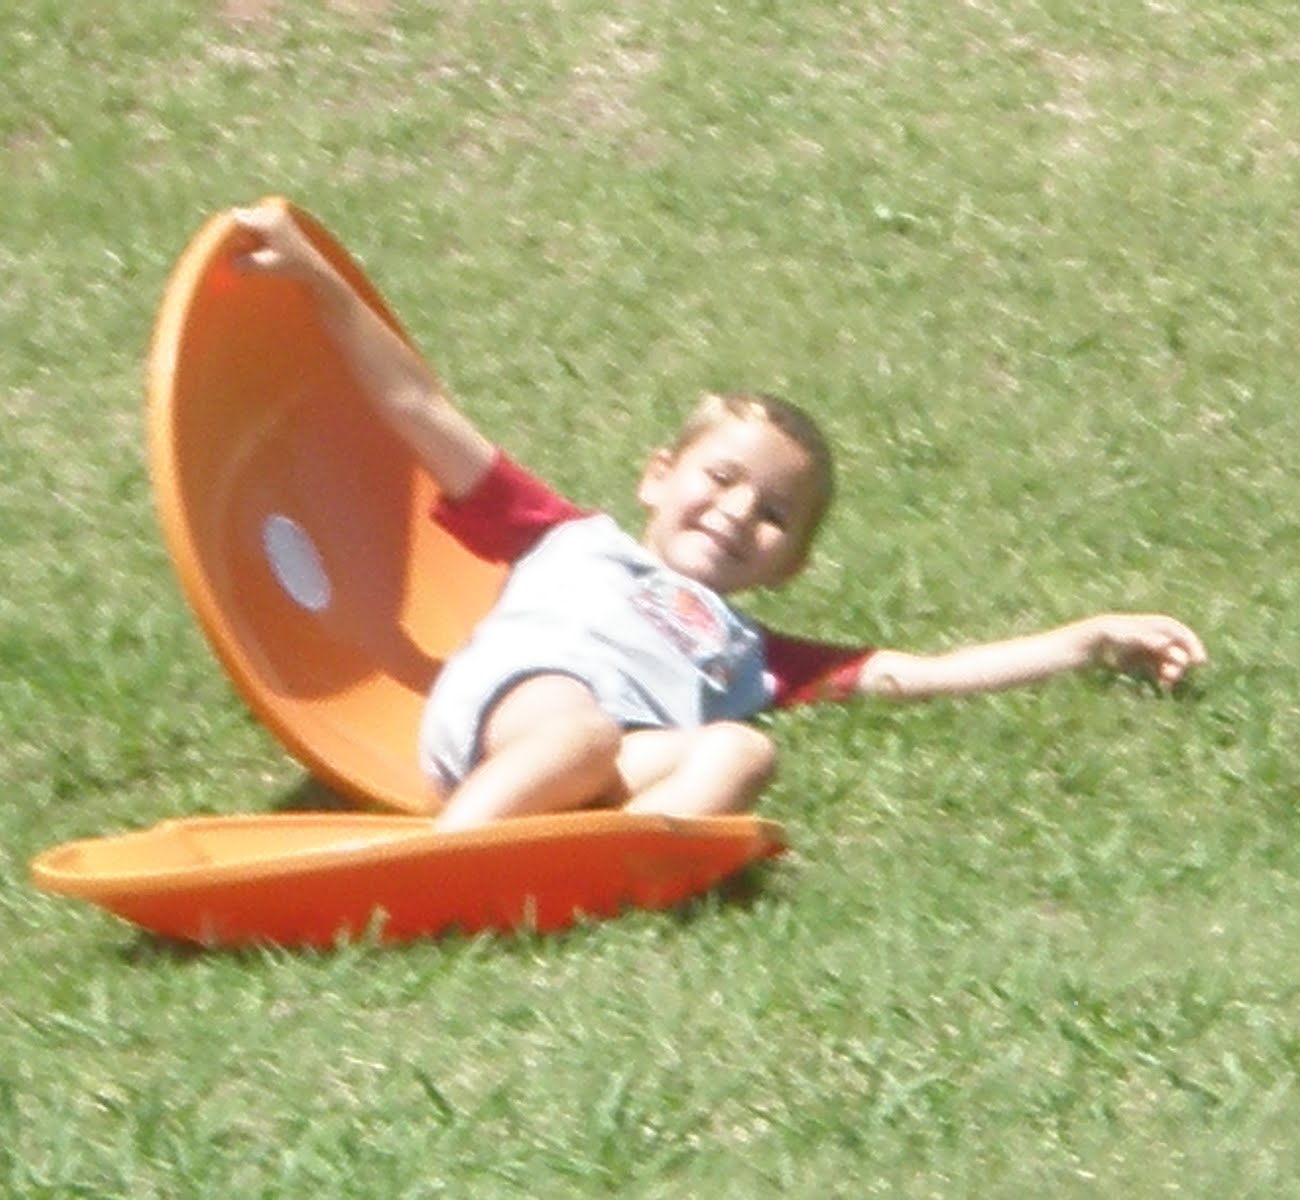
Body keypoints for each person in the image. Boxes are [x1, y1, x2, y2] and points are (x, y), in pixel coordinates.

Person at [233, 204, 1207, 832]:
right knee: (576, 735)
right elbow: (420, 412)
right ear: (659, 475)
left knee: (742, 751)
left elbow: (922, 675)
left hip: (606, 761)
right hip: (522, 713)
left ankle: (614, 871)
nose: (740, 512)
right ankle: (446, 859)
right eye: (723, 477)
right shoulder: (563, 535)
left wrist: (1088, 638)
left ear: (786, 565)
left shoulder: (753, 653)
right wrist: (318, 283)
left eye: (775, 513)